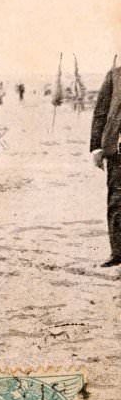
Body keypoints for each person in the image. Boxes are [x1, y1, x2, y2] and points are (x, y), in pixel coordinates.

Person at [90, 64, 121, 266]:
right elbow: (100, 112)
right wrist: (96, 147)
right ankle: (118, 252)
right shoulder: (116, 75)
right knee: (117, 202)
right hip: (118, 151)